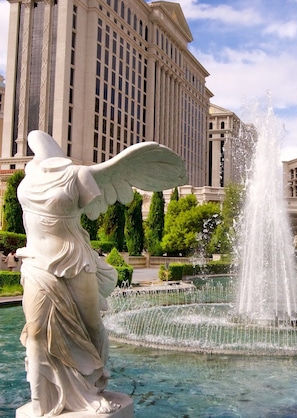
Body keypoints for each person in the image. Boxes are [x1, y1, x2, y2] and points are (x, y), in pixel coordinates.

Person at [16, 131, 186, 416]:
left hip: (74, 259)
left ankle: (93, 385)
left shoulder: (80, 175)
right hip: (36, 261)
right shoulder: (29, 172)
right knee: (35, 331)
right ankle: (40, 398)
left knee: (92, 324)